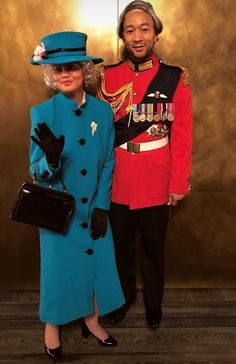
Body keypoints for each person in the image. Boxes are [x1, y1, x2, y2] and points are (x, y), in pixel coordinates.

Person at [29, 31, 125, 360]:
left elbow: (109, 161)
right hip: (58, 211)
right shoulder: (42, 113)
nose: (65, 73)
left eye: (71, 66)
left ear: (84, 70)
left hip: (93, 209)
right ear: (50, 75)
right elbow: (35, 171)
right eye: (58, 69)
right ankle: (52, 327)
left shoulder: (102, 111)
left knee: (97, 267)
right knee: (58, 271)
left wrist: (102, 206)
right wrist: (51, 159)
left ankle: (92, 320)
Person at [97, 0, 193, 329]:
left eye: (144, 28)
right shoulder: (106, 77)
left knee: (153, 250)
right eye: (129, 29)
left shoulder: (174, 78)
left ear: (155, 34)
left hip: (156, 178)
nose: (137, 36)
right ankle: (124, 299)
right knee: (120, 248)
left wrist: (178, 183)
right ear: (122, 36)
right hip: (119, 177)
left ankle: (154, 305)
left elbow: (182, 135)